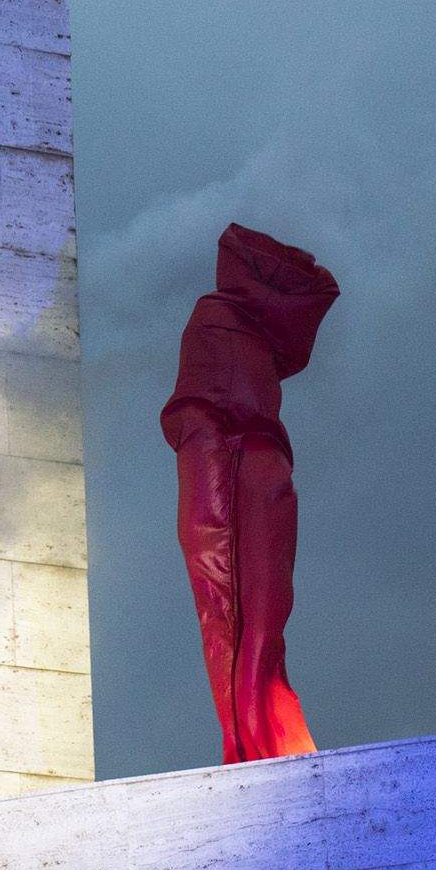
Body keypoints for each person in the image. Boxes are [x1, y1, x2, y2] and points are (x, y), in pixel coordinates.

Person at [161, 223, 339, 764]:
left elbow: (208, 413)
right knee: (255, 616)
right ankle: (264, 738)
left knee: (234, 611)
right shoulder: (248, 332)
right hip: (262, 472)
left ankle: (255, 743)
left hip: (231, 467)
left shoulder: (215, 317)